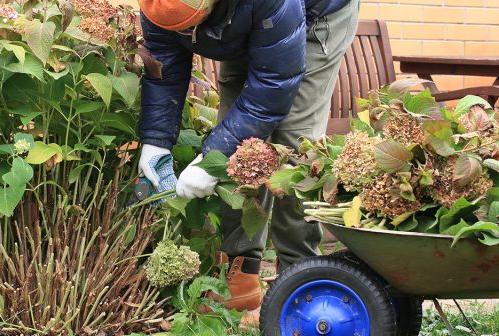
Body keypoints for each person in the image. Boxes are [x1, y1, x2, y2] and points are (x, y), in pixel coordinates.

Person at [136, 0, 360, 320]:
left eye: (191, 27)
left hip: (312, 17)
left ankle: (298, 276)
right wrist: (155, 142)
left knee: (294, 146)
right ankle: (240, 275)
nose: (188, 35)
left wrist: (210, 157)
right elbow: (164, 69)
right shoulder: (157, 6)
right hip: (243, 21)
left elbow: (272, 87)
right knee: (235, 143)